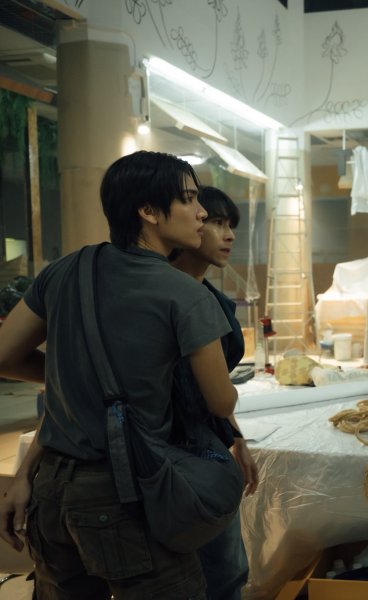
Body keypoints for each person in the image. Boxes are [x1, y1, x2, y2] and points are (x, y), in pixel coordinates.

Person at [0, 151, 238, 598]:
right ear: (148, 211)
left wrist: (72, 376)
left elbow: (5, 356)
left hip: (50, 493)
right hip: (124, 495)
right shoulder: (185, 294)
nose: (202, 212)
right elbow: (221, 402)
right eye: (189, 199)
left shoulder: (66, 270)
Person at [170, 185, 260, 600]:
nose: (230, 235)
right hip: (169, 456)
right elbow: (220, 397)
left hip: (207, 450)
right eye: (217, 222)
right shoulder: (163, 293)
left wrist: (236, 437)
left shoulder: (213, 300)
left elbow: (212, 389)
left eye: (231, 225)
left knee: (227, 573)